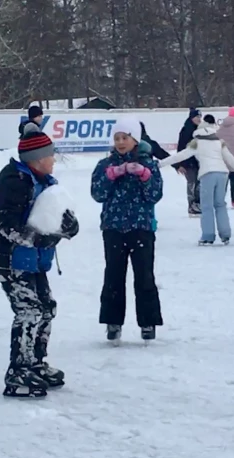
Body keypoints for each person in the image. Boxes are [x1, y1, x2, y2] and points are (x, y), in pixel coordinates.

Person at [0, 122, 79, 398]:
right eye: (50, 155)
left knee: (46, 307)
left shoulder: (46, 182)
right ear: (37, 159)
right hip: (11, 259)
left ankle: (36, 362)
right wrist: (36, 239)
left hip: (34, 260)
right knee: (28, 310)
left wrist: (67, 227)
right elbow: (6, 223)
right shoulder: (16, 182)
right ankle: (18, 370)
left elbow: (52, 217)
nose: (54, 159)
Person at [91, 117, 163, 345]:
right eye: (117, 138)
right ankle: (113, 322)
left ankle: (148, 322)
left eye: (125, 137)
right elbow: (97, 194)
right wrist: (112, 175)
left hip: (141, 228)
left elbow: (155, 195)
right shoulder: (105, 165)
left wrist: (145, 176)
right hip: (113, 228)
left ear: (135, 139)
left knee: (144, 276)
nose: (121, 142)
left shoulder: (149, 164)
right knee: (113, 275)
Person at [160, 115, 234, 246]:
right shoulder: (218, 141)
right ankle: (225, 234)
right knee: (220, 204)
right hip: (222, 174)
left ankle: (208, 235)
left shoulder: (197, 142)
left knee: (207, 206)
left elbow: (179, 156)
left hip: (207, 174)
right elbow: (231, 160)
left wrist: (160, 164)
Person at [174, 108, 203, 216]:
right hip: (187, 163)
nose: (199, 119)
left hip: (197, 162)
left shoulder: (199, 130)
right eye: (197, 117)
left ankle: (198, 204)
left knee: (199, 184)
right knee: (191, 183)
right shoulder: (186, 130)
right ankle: (192, 206)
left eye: (200, 117)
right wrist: (179, 164)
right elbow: (181, 148)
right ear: (191, 118)